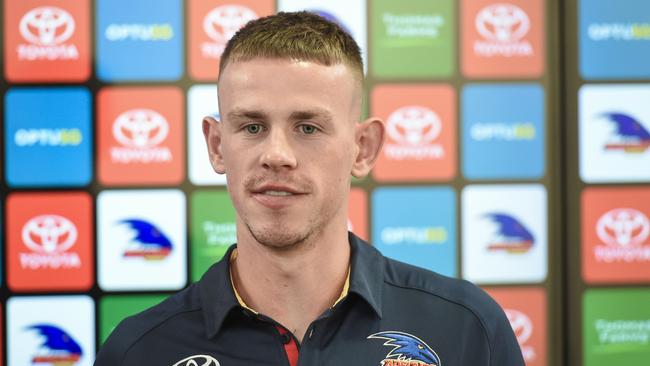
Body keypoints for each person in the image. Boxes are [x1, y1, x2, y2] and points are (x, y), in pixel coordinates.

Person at [95, 11, 524, 366]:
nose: (276, 154)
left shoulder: (465, 329)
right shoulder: (139, 350)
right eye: (252, 126)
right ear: (216, 145)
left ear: (363, 147)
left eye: (307, 127)